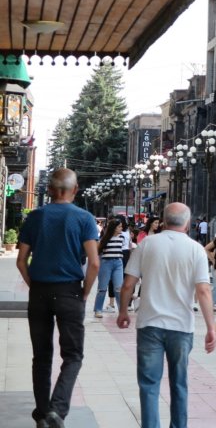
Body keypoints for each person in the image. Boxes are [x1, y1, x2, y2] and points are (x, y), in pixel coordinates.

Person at [116, 202, 216, 428]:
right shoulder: (196, 249)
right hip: (181, 327)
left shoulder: (146, 244)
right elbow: (203, 290)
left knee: (149, 385)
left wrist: (123, 311)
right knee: (179, 384)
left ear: (163, 220)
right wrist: (211, 327)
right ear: (188, 223)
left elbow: (128, 284)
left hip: (149, 324)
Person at [17, 168, 100, 428]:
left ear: (51, 190)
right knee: (73, 355)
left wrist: (34, 285)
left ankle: (43, 413)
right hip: (69, 291)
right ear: (75, 190)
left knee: (41, 356)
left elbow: (21, 261)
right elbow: (94, 263)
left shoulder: (35, 217)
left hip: (40, 291)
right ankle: (57, 409)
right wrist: (85, 292)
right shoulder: (84, 218)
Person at [94, 219, 126, 319]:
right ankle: (98, 309)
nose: (121, 228)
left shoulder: (122, 237)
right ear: (114, 228)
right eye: (119, 226)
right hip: (106, 263)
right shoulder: (105, 238)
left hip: (118, 263)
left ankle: (122, 310)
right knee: (102, 288)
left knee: (119, 288)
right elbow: (98, 251)